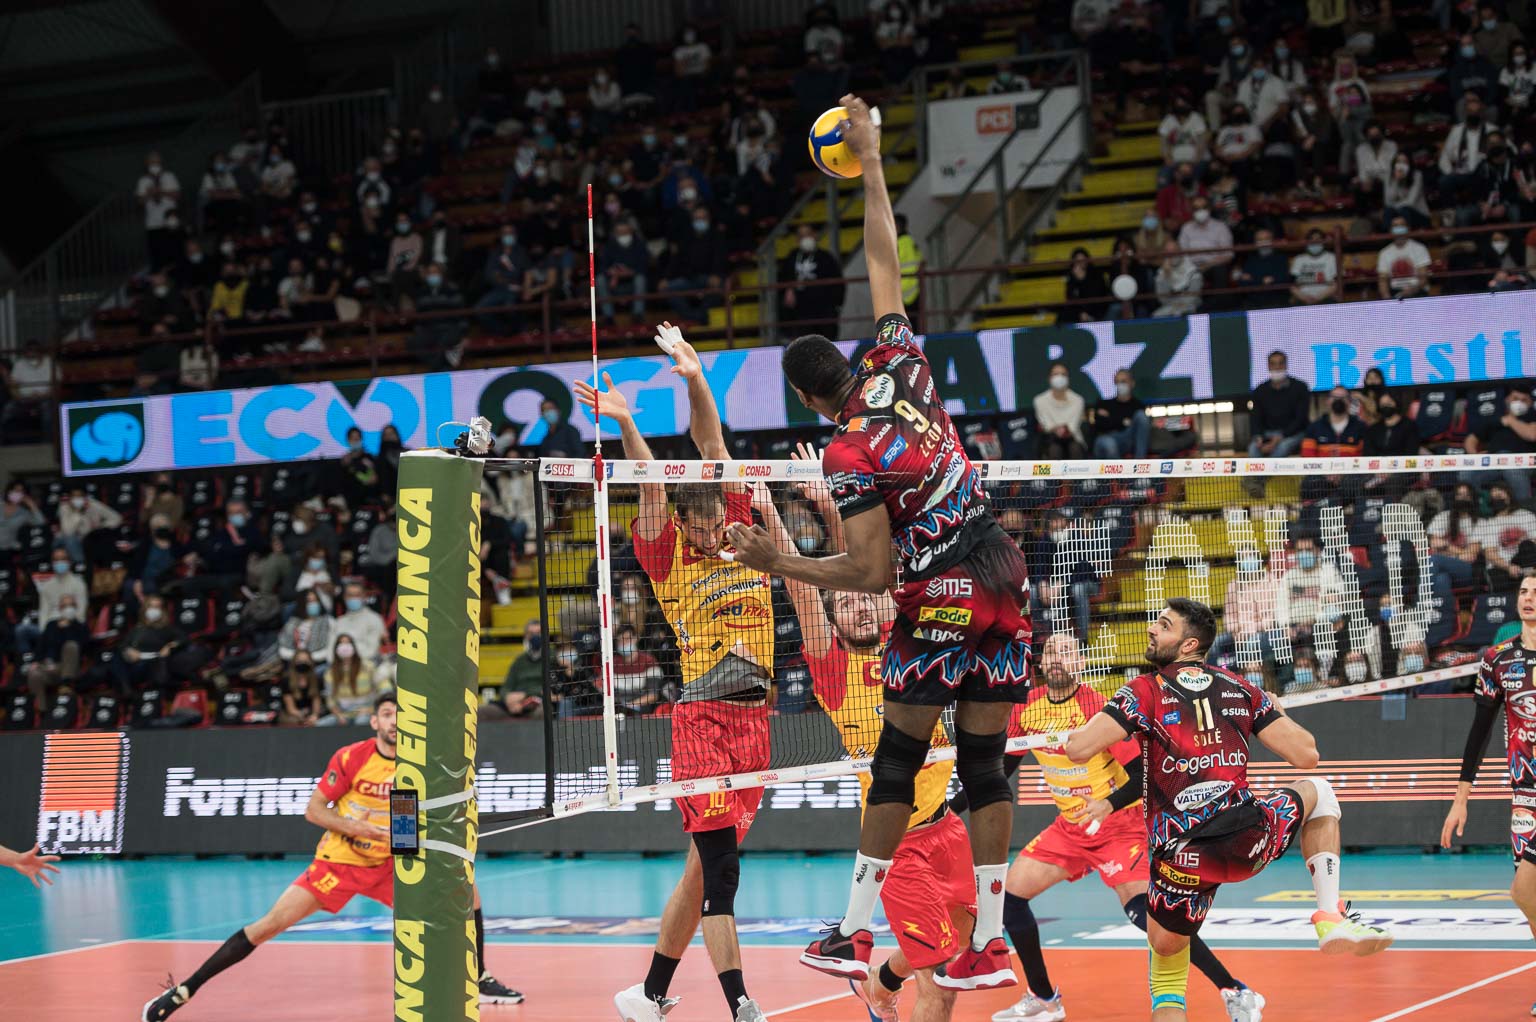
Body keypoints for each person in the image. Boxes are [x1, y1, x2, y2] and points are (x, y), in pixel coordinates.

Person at [736, 94, 1032, 992]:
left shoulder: (846, 449)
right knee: (984, 764)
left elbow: (869, 570)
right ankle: (988, 943)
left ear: (806, 399)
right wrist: (869, 161)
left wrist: (777, 561)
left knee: (899, 759)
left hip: (943, 588)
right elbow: (884, 260)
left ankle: (852, 933)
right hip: (1005, 569)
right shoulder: (901, 360)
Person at [1064, 599, 1392, 1022]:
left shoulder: (1142, 691)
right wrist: (1278, 712)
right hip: (1247, 842)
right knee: (1320, 792)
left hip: (1180, 860)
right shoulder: (1241, 687)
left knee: (1167, 971)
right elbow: (1307, 756)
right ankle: (1329, 914)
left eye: (1163, 625)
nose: (1151, 629)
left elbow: (1078, 749)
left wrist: (1079, 729)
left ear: (1189, 644)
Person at [580, 327, 774, 1022]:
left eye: (720, 523)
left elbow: (712, 446)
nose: (716, 536)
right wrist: (628, 424)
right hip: (701, 722)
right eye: (704, 529)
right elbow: (653, 485)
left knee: (700, 871)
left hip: (757, 725)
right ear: (686, 528)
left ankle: (650, 993)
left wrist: (695, 378)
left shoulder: (739, 527)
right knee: (721, 872)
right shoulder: (667, 555)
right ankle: (740, 1002)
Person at [753, 452, 975, 1020]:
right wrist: (770, 508)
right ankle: (890, 988)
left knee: (959, 940)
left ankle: (880, 983)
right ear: (834, 620)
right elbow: (803, 588)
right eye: (844, 603)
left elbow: (869, 561)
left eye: (860, 597)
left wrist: (828, 503)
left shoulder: (904, 642)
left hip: (948, 827)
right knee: (942, 980)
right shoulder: (833, 671)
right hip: (895, 842)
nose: (854, 605)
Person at [141, 693, 522, 1020]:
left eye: (401, 714)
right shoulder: (353, 757)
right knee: (269, 925)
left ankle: (479, 977)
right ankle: (183, 991)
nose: (395, 720)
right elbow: (315, 811)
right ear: (375, 721)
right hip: (341, 861)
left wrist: (412, 838)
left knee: (467, 890)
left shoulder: (419, 763)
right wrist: (360, 829)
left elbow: (414, 819)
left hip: (391, 864)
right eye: (387, 713)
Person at [976, 633, 1263, 1022]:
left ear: (1080, 662)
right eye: (1052, 651)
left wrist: (1107, 804)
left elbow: (1142, 772)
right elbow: (1000, 772)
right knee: (1009, 897)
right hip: (1071, 828)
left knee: (1150, 916)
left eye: (1067, 651)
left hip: (1118, 824)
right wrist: (948, 808)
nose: (1058, 658)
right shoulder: (1027, 708)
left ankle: (1236, 990)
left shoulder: (1099, 708)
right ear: (1041, 662)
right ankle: (1044, 999)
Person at [1441, 576, 1536, 1018]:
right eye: (1525, 592)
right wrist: (1461, 798)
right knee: (1527, 894)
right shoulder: (1499, 659)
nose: (1529, 599)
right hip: (1526, 794)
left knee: (1525, 889)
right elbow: (1479, 732)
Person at [1246, 350, 1310, 458]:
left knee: (1282, 447)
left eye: (1281, 363)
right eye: (1273, 364)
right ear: (1268, 366)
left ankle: (1269, 470)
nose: (1277, 367)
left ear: (1286, 365)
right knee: (1253, 448)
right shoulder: (1259, 391)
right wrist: (1259, 438)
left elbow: (1300, 419)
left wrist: (1281, 437)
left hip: (1293, 434)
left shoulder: (1300, 388)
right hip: (1267, 434)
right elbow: (1255, 419)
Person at [1033, 363, 1089, 460]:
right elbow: (1046, 425)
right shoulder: (1039, 400)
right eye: (1056, 374)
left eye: (1063, 374)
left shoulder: (1078, 400)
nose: (1059, 377)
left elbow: (1073, 426)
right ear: (1049, 378)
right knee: (1054, 449)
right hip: (1050, 439)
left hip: (1073, 439)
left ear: (1068, 379)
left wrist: (1064, 431)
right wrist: (1056, 430)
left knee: (1074, 448)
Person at [1091, 368, 1149, 459]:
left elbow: (1139, 430)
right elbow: (1099, 425)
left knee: (1141, 416)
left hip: (1127, 439)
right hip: (1105, 439)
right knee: (1109, 443)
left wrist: (1110, 418)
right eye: (1117, 382)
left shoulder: (1138, 406)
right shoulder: (1103, 404)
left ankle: (1140, 463)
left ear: (1132, 383)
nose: (1120, 385)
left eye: (1123, 381)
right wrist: (1123, 421)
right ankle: (1118, 468)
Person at [1300, 385, 1367, 457]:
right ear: (1327, 401)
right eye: (1334, 397)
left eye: (1343, 398)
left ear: (1349, 402)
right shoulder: (1314, 428)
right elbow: (1307, 457)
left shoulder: (1360, 427)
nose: (1338, 400)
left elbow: (1364, 457)